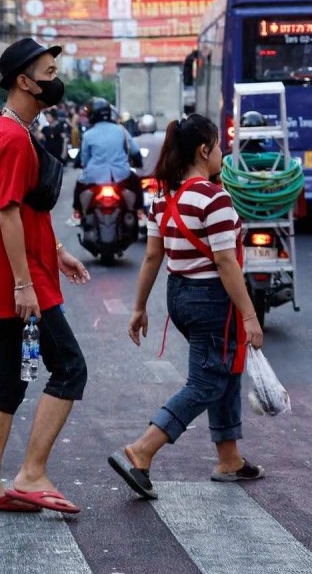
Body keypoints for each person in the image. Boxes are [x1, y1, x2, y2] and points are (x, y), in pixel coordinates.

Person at [109, 115, 265, 500]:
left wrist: (139, 307)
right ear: (204, 149)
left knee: (224, 368)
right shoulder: (215, 198)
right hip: (210, 298)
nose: (223, 154)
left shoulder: (164, 197)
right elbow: (226, 263)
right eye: (219, 146)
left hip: (178, 296)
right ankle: (142, 450)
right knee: (206, 381)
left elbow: (152, 257)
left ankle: (229, 458)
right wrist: (249, 315)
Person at [0, 39, 91, 516]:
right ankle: (31, 473)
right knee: (70, 368)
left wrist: (57, 251)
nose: (55, 77)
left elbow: (22, 209)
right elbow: (8, 214)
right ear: (25, 81)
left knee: (8, 381)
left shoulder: (4, 129)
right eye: (49, 70)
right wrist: (25, 283)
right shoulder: (13, 137)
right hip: (21, 279)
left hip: (20, 272)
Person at [73, 97, 141, 224]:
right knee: (137, 182)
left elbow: (85, 159)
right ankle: (140, 213)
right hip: (121, 174)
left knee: (79, 184)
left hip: (94, 175)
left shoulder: (88, 134)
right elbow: (134, 150)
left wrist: (86, 168)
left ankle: (77, 213)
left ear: (92, 115)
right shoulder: (121, 130)